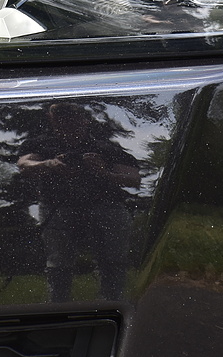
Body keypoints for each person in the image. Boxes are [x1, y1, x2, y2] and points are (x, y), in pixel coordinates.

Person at [17, 103, 140, 302]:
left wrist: (104, 172)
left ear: (84, 120)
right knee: (58, 263)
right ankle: (58, 307)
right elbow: (24, 164)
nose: (68, 122)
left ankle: (111, 303)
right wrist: (50, 164)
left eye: (72, 117)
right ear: (52, 120)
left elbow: (134, 178)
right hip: (58, 207)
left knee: (112, 261)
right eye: (61, 118)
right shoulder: (41, 145)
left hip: (104, 206)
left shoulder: (104, 148)